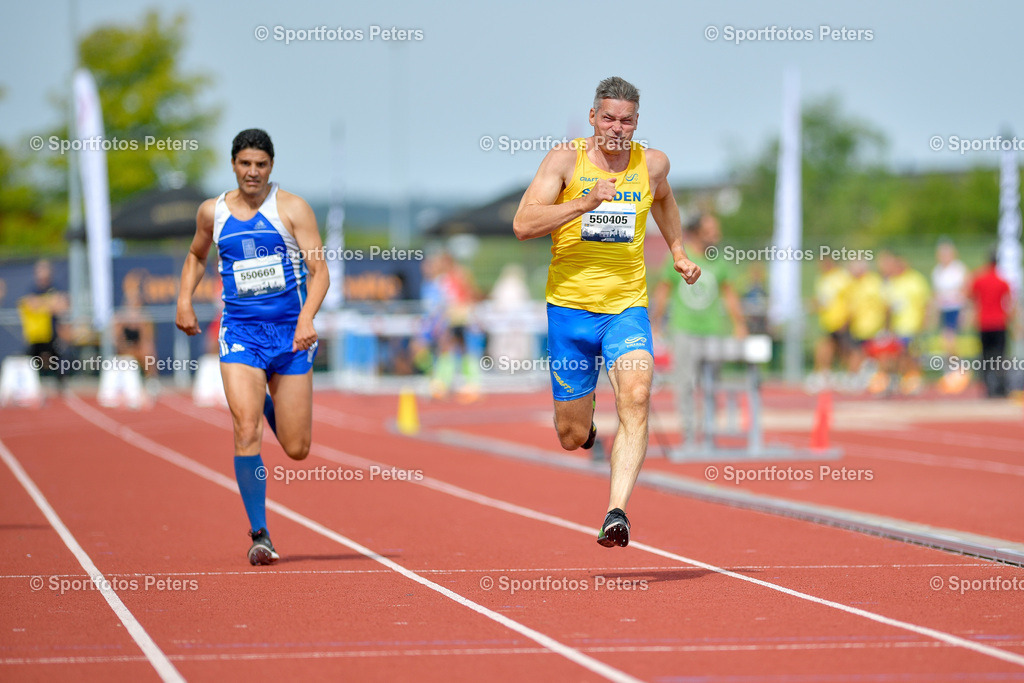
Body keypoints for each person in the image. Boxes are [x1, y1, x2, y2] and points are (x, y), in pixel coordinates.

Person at [513, 77, 700, 548]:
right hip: (570, 313)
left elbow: (666, 201)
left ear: (638, 123)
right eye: (609, 118)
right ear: (593, 117)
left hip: (626, 309)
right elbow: (522, 224)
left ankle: (616, 511)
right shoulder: (563, 161)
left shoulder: (651, 164)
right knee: (571, 436)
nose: (618, 128)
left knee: (637, 395)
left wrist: (677, 251)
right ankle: (587, 421)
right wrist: (584, 202)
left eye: (628, 120)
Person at [176, 129, 329, 565]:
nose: (253, 172)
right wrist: (184, 299)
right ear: (234, 165)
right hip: (240, 335)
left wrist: (305, 319)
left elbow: (320, 273)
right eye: (245, 163)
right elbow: (196, 256)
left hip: (290, 339)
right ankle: (260, 533)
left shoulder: (293, 209)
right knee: (246, 431)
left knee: (297, 449)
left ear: (271, 167)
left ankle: (265, 400)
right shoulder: (213, 212)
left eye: (260, 164)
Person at [651, 213, 746, 450]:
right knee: (684, 384)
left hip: (713, 330)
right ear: (696, 231)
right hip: (684, 329)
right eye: (711, 229)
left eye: (717, 229)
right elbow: (662, 291)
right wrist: (655, 324)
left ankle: (709, 434)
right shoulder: (677, 258)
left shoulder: (719, 260)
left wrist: (739, 324)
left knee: (712, 384)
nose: (717, 234)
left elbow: (729, 293)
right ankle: (689, 435)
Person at [18, 259, 69, 388]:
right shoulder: (32, 289)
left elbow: (62, 305)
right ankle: (31, 385)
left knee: (57, 357)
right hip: (36, 334)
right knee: (31, 358)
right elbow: (30, 304)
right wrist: (48, 303)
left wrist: (42, 305)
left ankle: (61, 385)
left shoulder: (55, 288)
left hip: (52, 332)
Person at [967, 251, 1012, 398]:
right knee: (1000, 356)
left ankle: (987, 387)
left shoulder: (979, 279)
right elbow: (1009, 304)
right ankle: (1000, 387)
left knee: (985, 356)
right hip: (999, 323)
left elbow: (971, 297)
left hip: (984, 323)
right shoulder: (1003, 281)